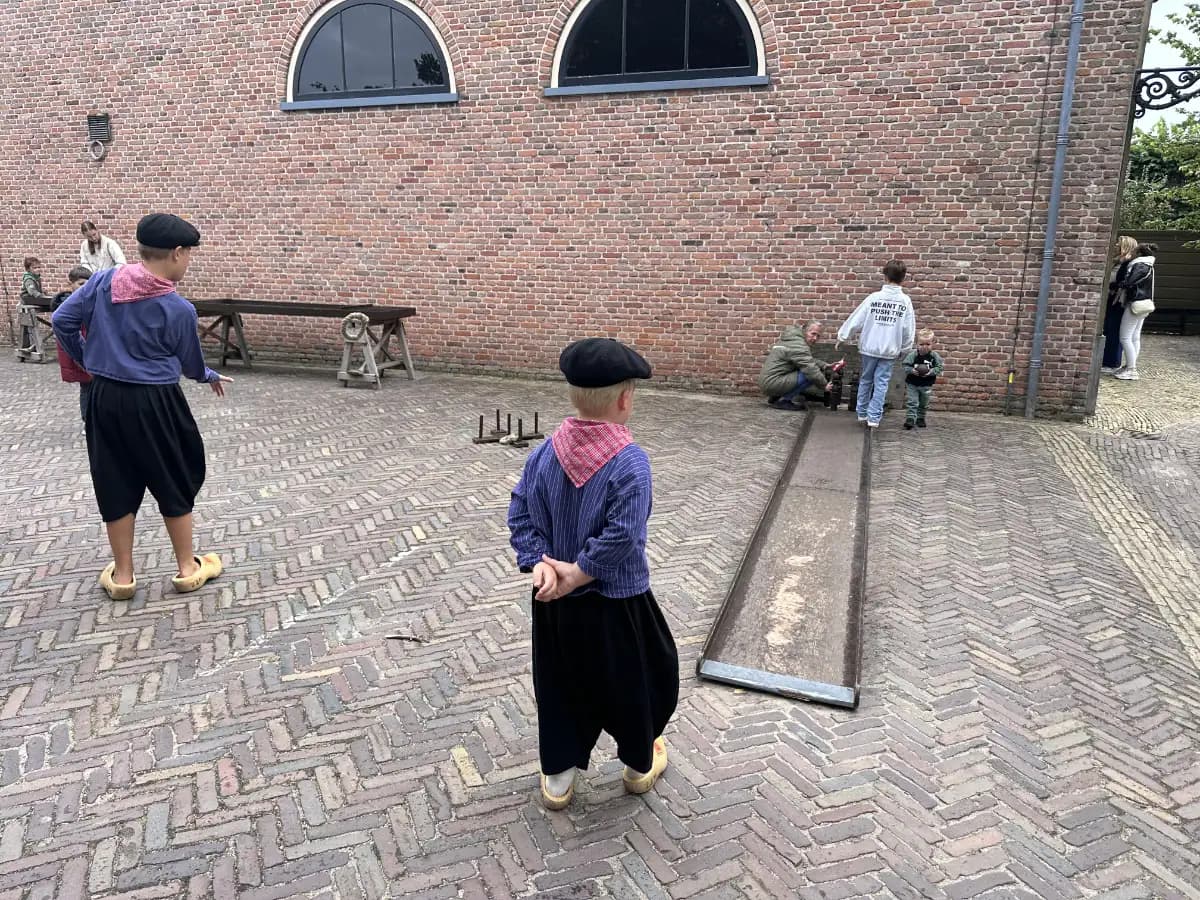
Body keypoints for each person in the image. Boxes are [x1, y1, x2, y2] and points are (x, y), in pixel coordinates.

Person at [507, 338, 678, 810]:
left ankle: (558, 779)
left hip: (553, 603)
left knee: (560, 683)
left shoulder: (543, 453)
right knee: (642, 678)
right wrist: (582, 572)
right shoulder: (630, 463)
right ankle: (639, 765)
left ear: (573, 395)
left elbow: (520, 511)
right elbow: (623, 536)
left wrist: (540, 563)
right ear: (625, 399)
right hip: (618, 603)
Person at [52, 213, 231, 601]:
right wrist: (207, 376)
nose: (189, 262)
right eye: (189, 255)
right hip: (156, 401)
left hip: (105, 397)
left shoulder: (101, 282)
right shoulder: (178, 309)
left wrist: (88, 360)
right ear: (178, 253)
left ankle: (123, 576)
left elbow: (63, 320)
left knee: (113, 475)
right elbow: (188, 363)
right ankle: (187, 569)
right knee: (173, 473)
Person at [837, 259, 916, 428]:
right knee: (881, 383)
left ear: (885, 276)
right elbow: (908, 328)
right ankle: (873, 417)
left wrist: (843, 336)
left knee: (866, 379)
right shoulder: (905, 301)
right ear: (903, 278)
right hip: (889, 349)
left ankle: (862, 412)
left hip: (870, 346)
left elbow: (857, 318)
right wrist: (906, 348)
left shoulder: (874, 298)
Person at [51, 267, 95, 428]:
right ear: (71, 284)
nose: (84, 287)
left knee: (93, 388)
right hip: (79, 354)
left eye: (87, 284)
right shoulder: (68, 306)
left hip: (89, 350)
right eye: (81, 283)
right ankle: (87, 421)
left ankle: (94, 419)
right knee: (86, 388)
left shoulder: (88, 301)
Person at [757, 321, 834, 410]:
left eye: (818, 336)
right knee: (810, 373)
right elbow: (810, 368)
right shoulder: (799, 345)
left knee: (810, 369)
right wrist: (824, 385)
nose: (815, 338)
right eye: (813, 334)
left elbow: (806, 359)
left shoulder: (792, 339)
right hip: (772, 383)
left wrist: (825, 365)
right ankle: (784, 401)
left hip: (769, 381)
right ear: (805, 331)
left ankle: (776, 397)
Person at [1115, 242, 1157, 382]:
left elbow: (1129, 282)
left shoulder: (1139, 265)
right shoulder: (1149, 265)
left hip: (1135, 303)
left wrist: (1120, 284)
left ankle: (1132, 370)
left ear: (1138, 254)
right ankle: (1129, 366)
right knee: (1135, 337)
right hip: (1144, 303)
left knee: (1125, 337)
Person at [1101, 236, 1138, 375]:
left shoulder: (1127, 263)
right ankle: (1108, 360)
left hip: (1118, 300)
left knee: (1115, 330)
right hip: (1112, 298)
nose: (1115, 245)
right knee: (1109, 328)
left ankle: (1112, 363)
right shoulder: (1117, 261)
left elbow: (1124, 282)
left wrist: (1113, 286)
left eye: (1118, 243)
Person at [901, 330, 944, 429]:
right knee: (912, 401)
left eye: (928, 344)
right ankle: (910, 419)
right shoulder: (913, 355)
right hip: (913, 383)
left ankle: (921, 418)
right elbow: (905, 365)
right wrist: (911, 370)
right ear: (917, 344)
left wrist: (931, 372)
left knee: (924, 403)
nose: (925, 346)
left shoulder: (934, 356)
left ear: (933, 343)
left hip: (926, 384)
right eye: (921, 344)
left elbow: (940, 367)